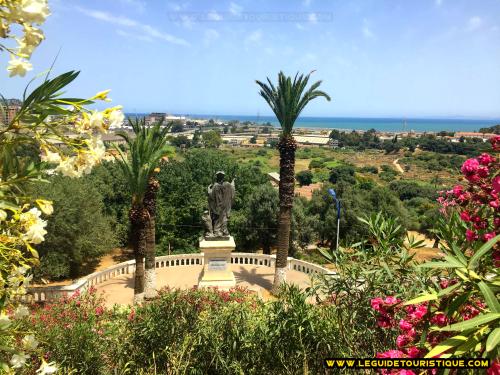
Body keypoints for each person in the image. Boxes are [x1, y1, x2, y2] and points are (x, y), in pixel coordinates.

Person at [207, 171, 235, 237]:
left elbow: (211, 196)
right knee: (223, 218)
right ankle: (224, 231)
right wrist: (233, 182)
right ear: (223, 177)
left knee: (218, 219)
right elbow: (232, 189)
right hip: (224, 207)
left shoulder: (215, 186)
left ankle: (217, 232)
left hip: (218, 208)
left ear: (217, 177)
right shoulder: (227, 184)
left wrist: (208, 190)